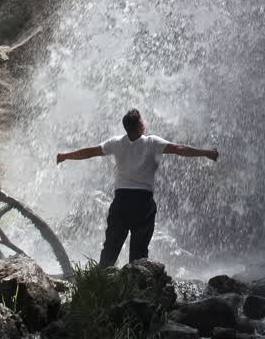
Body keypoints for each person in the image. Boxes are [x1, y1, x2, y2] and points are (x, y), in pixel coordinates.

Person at [56, 108, 219, 267]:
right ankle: (136, 286)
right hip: (143, 203)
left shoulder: (117, 142)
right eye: (142, 120)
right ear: (140, 125)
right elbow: (179, 149)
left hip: (121, 201)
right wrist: (206, 153)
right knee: (139, 252)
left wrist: (66, 156)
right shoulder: (152, 142)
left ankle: (101, 281)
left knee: (111, 246)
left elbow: (90, 152)